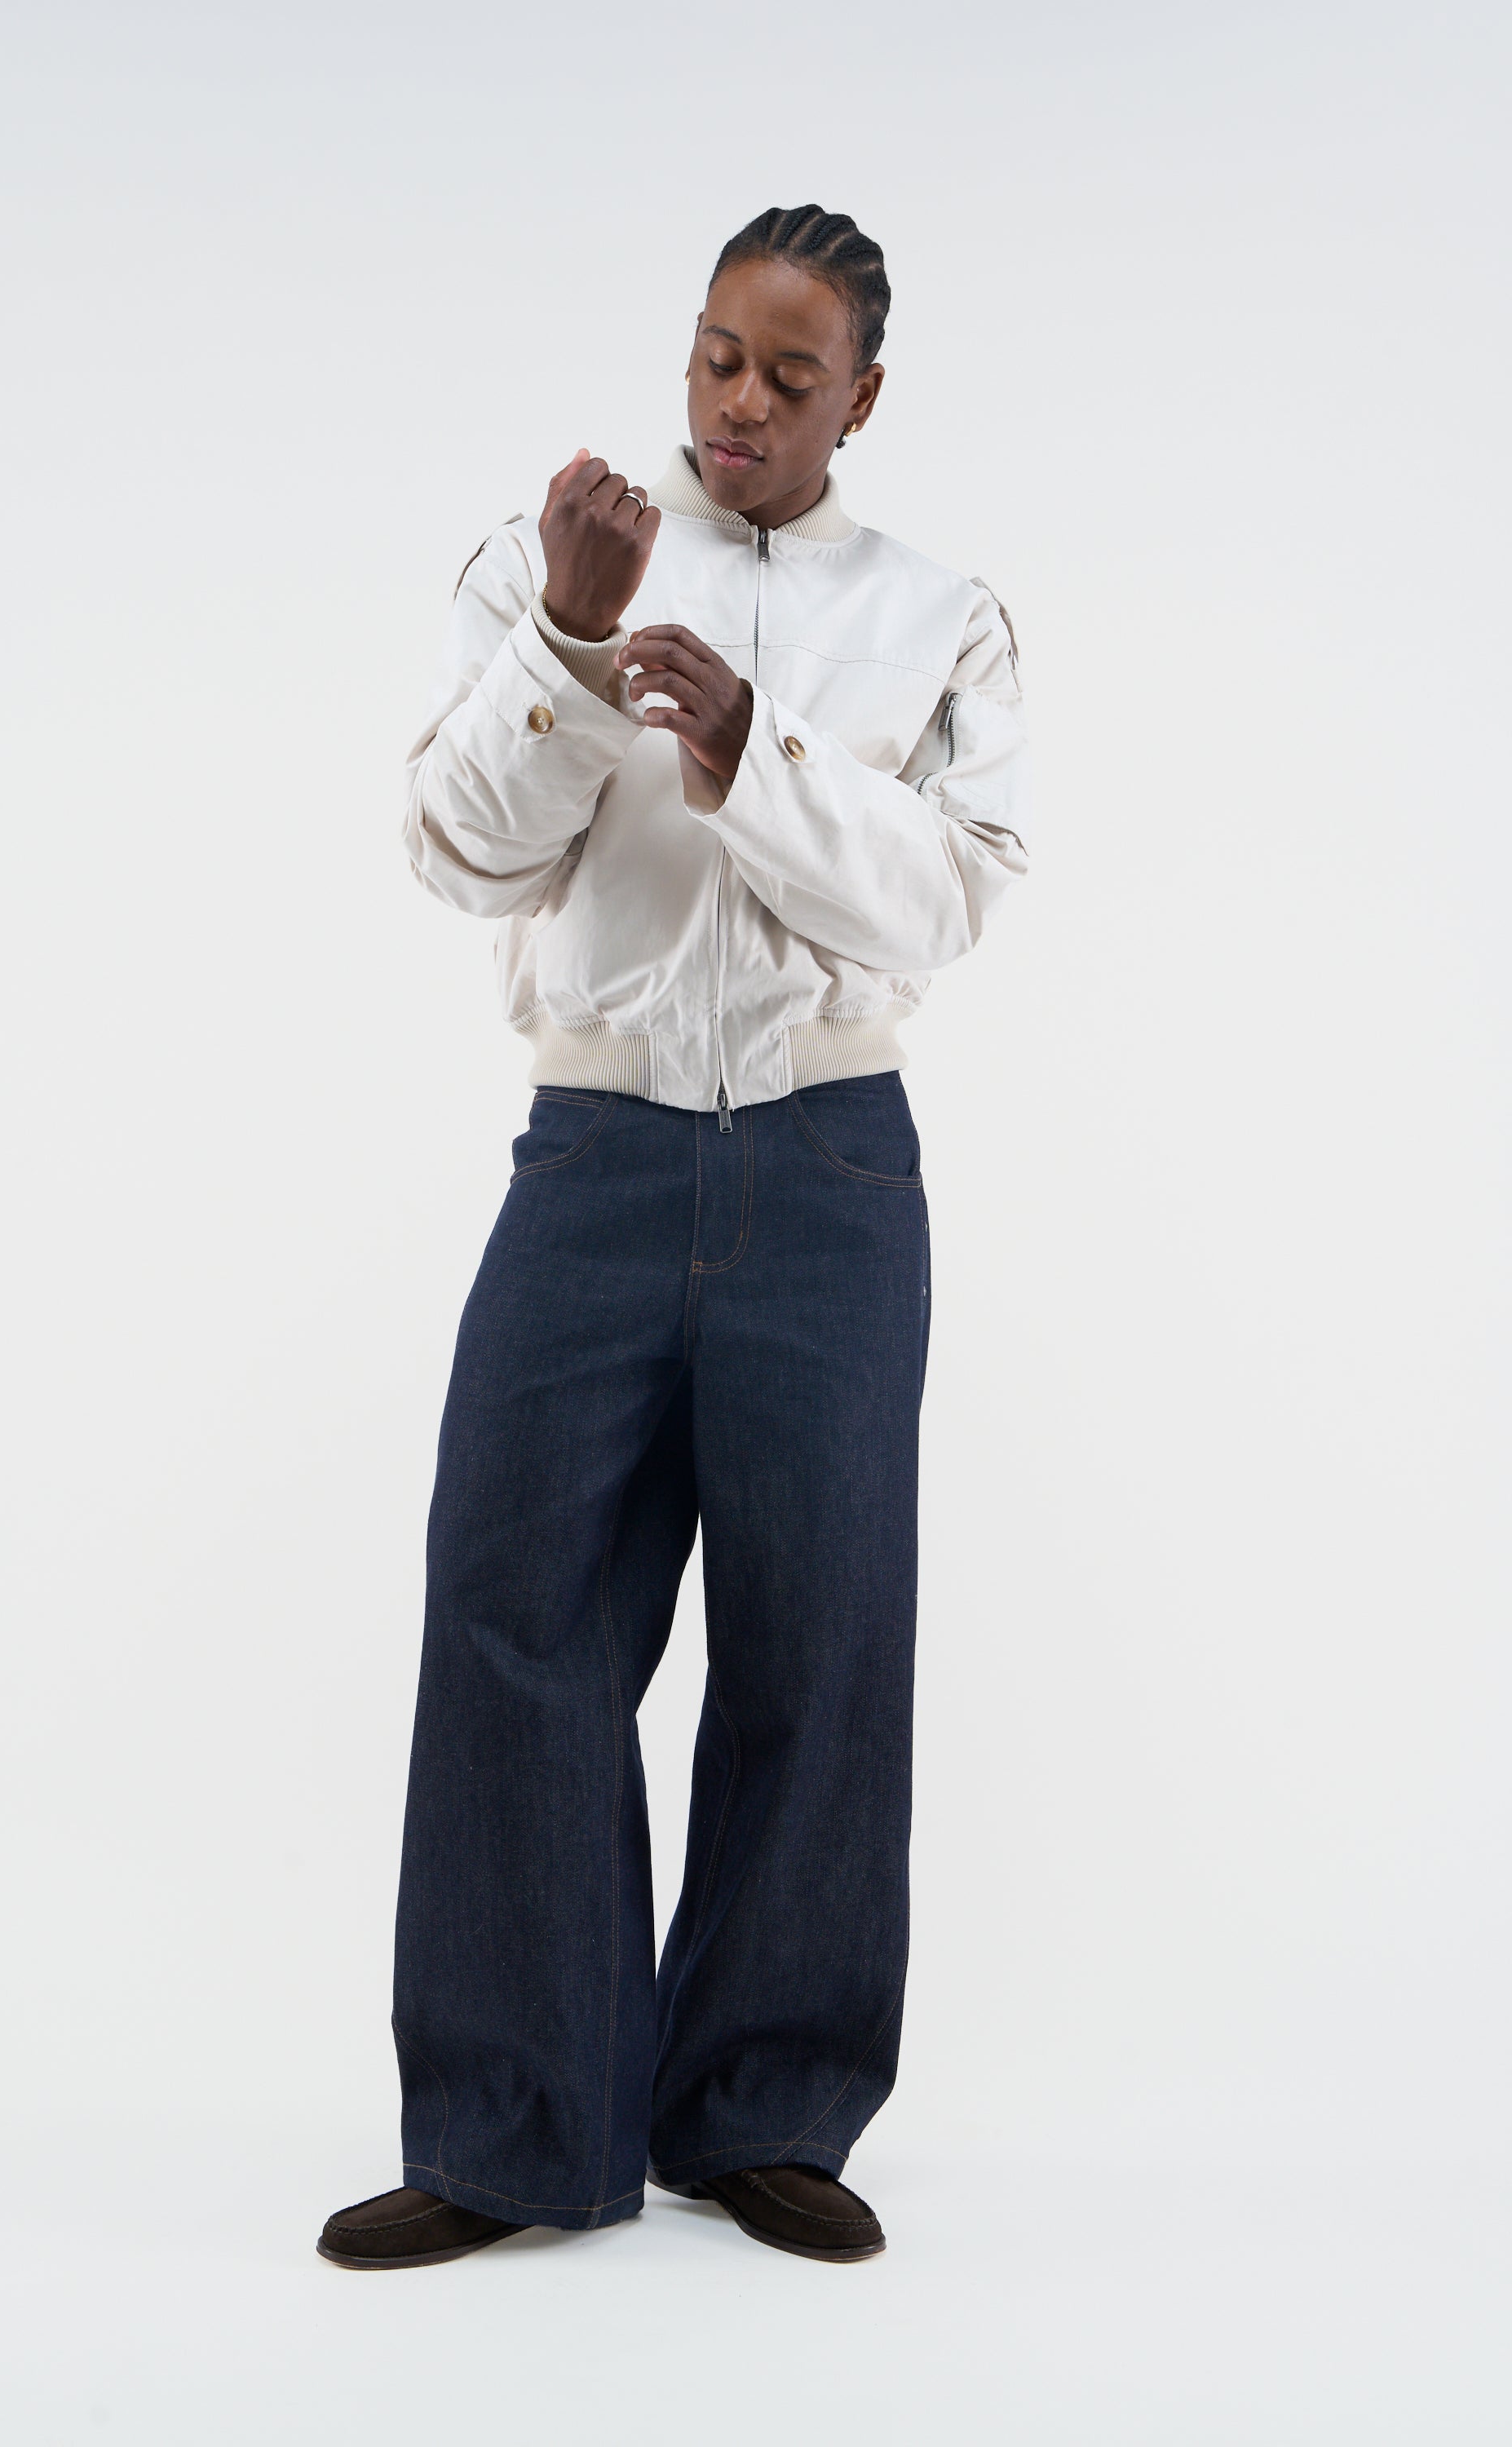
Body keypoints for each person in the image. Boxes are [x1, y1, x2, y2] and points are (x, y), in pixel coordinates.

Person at [317, 204, 1029, 2271]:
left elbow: (950, 900)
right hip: (597, 1156)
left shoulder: (941, 614)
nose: (739, 403)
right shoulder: (543, 560)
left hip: (830, 1169)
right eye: (719, 355)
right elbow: (460, 855)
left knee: (821, 1638)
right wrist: (564, 640)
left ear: (860, 400)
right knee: (511, 1611)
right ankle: (513, 2130)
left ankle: (763, 2112)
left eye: (791, 376)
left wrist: (750, 757)